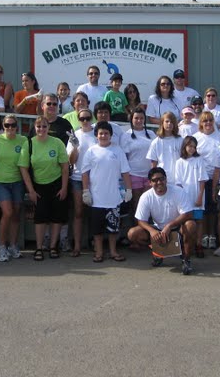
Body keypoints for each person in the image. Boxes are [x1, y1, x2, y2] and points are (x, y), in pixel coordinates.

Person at [128, 167, 197, 275]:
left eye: (161, 179)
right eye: (155, 180)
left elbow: (188, 213)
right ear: (150, 182)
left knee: (191, 225)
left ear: (166, 179)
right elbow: (140, 220)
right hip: (158, 229)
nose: (159, 182)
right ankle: (158, 252)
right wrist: (152, 231)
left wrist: (169, 226)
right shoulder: (146, 196)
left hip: (177, 227)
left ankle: (186, 259)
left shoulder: (178, 191)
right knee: (133, 233)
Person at [20, 115, 69, 261]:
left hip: (56, 183)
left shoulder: (57, 143)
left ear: (49, 128)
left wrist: (64, 187)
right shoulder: (29, 143)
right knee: (40, 218)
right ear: (35, 128)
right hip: (38, 185)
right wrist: (31, 191)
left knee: (56, 217)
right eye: (38, 126)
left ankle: (53, 247)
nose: (41, 129)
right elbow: (23, 168)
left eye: (44, 126)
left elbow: (65, 167)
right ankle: (39, 248)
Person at [82, 121, 132, 263]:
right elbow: (85, 173)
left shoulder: (118, 150)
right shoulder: (91, 151)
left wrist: (129, 189)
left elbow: (125, 172)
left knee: (113, 229)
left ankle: (113, 251)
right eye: (101, 133)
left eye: (106, 133)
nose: (103, 136)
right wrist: (85, 191)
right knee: (97, 230)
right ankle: (99, 252)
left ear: (111, 135)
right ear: (96, 135)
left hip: (114, 198)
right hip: (96, 198)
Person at [0, 114, 28, 262]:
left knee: (15, 214)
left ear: (17, 127)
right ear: (3, 126)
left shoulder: (23, 140)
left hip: (18, 182)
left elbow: (24, 163)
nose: (10, 128)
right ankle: (2, 246)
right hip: (1, 182)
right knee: (7, 212)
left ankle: (13, 245)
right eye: (7, 125)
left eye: (13, 125)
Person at [67, 108, 97, 257]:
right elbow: (71, 161)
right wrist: (75, 147)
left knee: (95, 212)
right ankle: (77, 246)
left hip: (96, 179)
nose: (85, 121)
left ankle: (96, 244)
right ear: (78, 120)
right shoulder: (75, 135)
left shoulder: (98, 134)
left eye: (87, 118)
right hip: (78, 178)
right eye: (82, 118)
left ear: (92, 118)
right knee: (78, 212)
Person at [193, 111, 220, 254]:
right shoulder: (196, 137)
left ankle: (212, 235)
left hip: (216, 177)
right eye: (205, 121)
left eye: (210, 120)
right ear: (201, 123)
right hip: (200, 178)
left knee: (213, 209)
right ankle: (203, 235)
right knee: (203, 209)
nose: (208, 123)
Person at [121, 107, 156, 228]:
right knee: (137, 205)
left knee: (148, 205)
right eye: (136, 118)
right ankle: (137, 232)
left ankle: (148, 232)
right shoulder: (126, 136)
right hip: (134, 174)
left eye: (141, 118)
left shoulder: (151, 134)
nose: (139, 120)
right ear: (131, 119)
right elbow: (124, 157)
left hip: (149, 175)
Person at [173, 136, 207, 257]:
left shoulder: (199, 160)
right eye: (189, 146)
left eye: (194, 146)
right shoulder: (179, 162)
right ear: (184, 146)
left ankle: (199, 245)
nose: (192, 149)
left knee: (199, 221)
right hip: (185, 198)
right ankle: (186, 245)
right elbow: (178, 183)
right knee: (186, 222)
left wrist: (200, 196)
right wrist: (182, 199)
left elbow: (202, 180)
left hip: (197, 197)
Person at [146, 111, 183, 181]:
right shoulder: (156, 142)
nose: (169, 124)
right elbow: (154, 163)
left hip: (178, 178)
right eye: (167, 121)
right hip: (162, 180)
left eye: (172, 122)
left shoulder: (180, 140)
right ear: (162, 123)